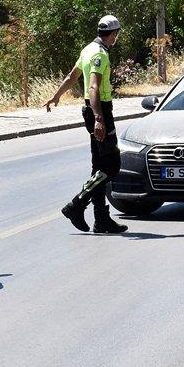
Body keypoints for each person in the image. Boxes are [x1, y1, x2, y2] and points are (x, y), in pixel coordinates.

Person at [44, 15, 128, 234]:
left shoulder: (88, 49)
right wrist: (100, 118)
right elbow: (93, 88)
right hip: (100, 110)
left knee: (98, 167)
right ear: (113, 34)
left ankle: (101, 220)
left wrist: (56, 96)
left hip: (91, 111)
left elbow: (73, 76)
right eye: (116, 34)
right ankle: (77, 204)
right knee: (112, 166)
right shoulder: (100, 54)